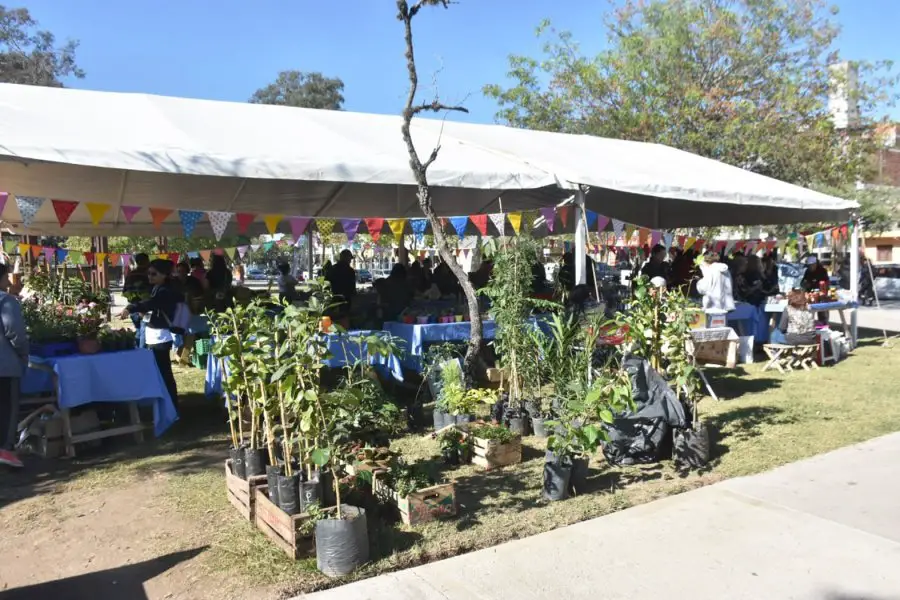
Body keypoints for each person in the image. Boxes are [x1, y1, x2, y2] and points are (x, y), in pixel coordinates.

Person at [121, 259, 179, 409]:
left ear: (164, 275)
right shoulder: (158, 287)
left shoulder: (164, 290)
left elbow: (151, 304)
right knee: (161, 371)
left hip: (161, 335)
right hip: (156, 333)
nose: (150, 276)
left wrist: (131, 308)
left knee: (164, 372)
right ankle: (168, 403)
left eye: (154, 274)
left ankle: (171, 405)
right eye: (149, 273)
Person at [0, 263, 28, 468]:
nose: (9, 282)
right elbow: (15, 332)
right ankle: (6, 449)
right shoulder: (6, 301)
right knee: (8, 409)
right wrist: (22, 355)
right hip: (5, 365)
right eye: (6, 277)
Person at [123, 253, 151, 345]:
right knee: (144, 331)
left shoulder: (130, 275)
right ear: (147, 261)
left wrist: (132, 300)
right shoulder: (149, 275)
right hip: (145, 308)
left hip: (132, 308)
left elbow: (125, 292)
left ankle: (137, 352)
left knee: (139, 330)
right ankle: (142, 354)